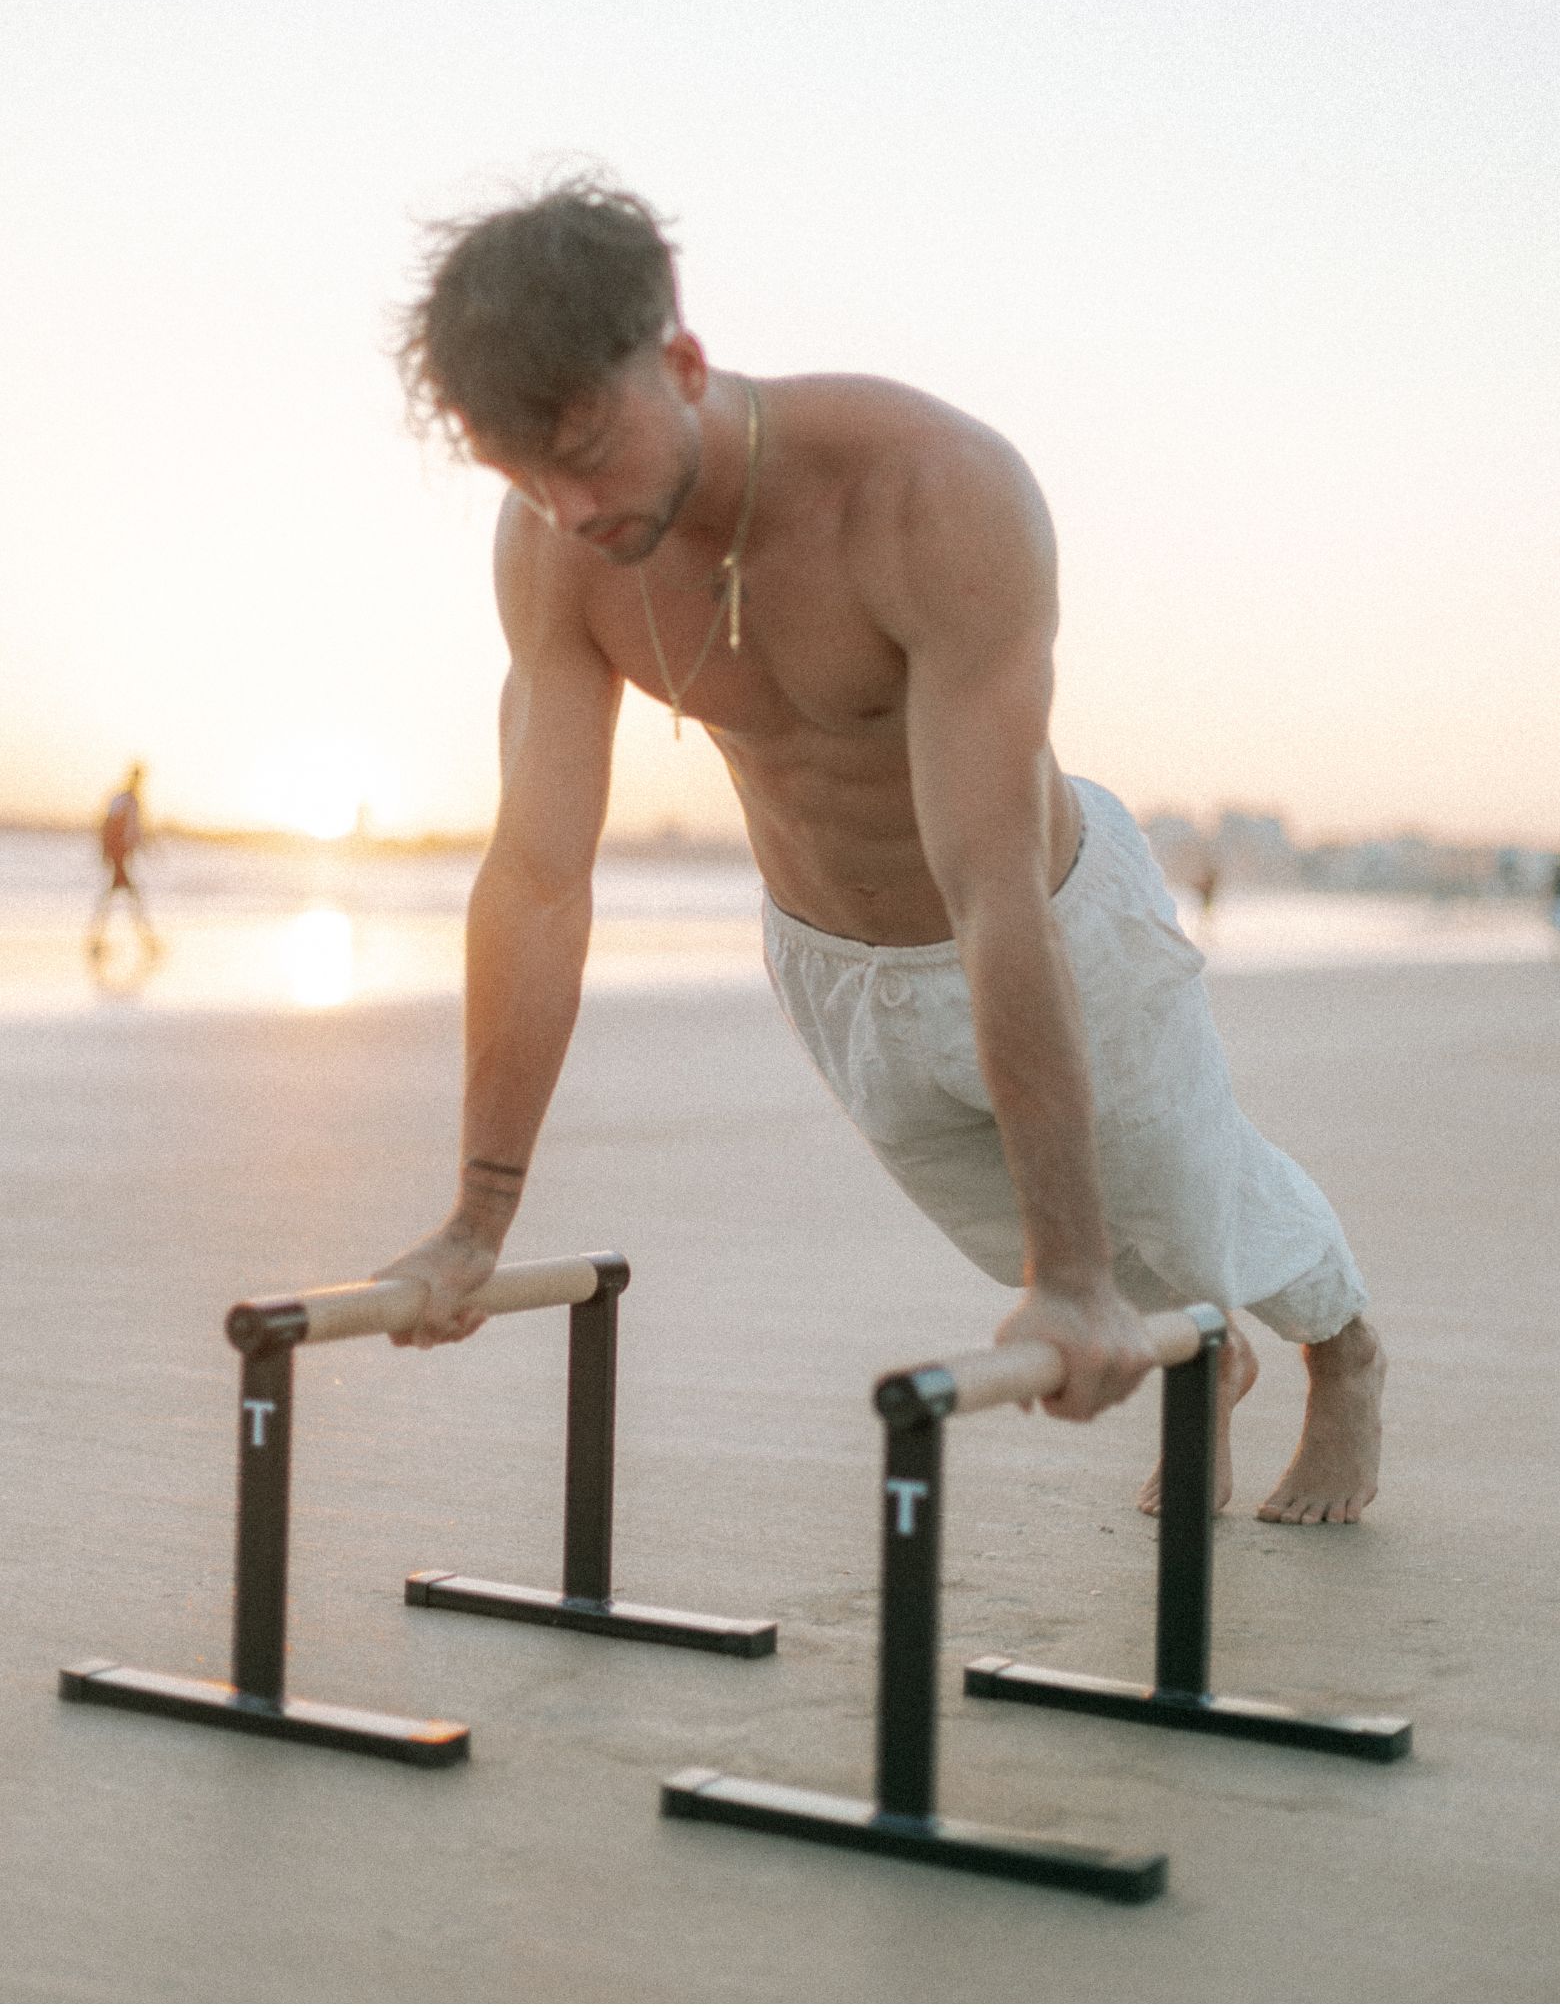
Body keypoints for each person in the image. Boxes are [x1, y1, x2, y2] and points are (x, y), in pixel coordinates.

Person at [374, 182, 1385, 1526]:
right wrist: (478, 1218)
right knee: (1007, 1232)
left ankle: (1343, 1353)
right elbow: (539, 878)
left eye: (587, 452)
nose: (568, 505)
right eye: (521, 477)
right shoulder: (557, 546)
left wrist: (1075, 1276)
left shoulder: (931, 493)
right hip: (831, 965)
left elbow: (992, 886)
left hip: (1045, 917)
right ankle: (1205, 1353)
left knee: (1186, 1200)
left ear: (684, 364)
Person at [86, 763, 159, 957]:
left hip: (121, 854)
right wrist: (110, 851)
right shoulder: (126, 800)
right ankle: (146, 940)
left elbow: (135, 829)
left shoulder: (128, 799)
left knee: (117, 896)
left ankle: (97, 938)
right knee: (130, 896)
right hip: (119, 855)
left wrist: (147, 848)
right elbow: (115, 826)